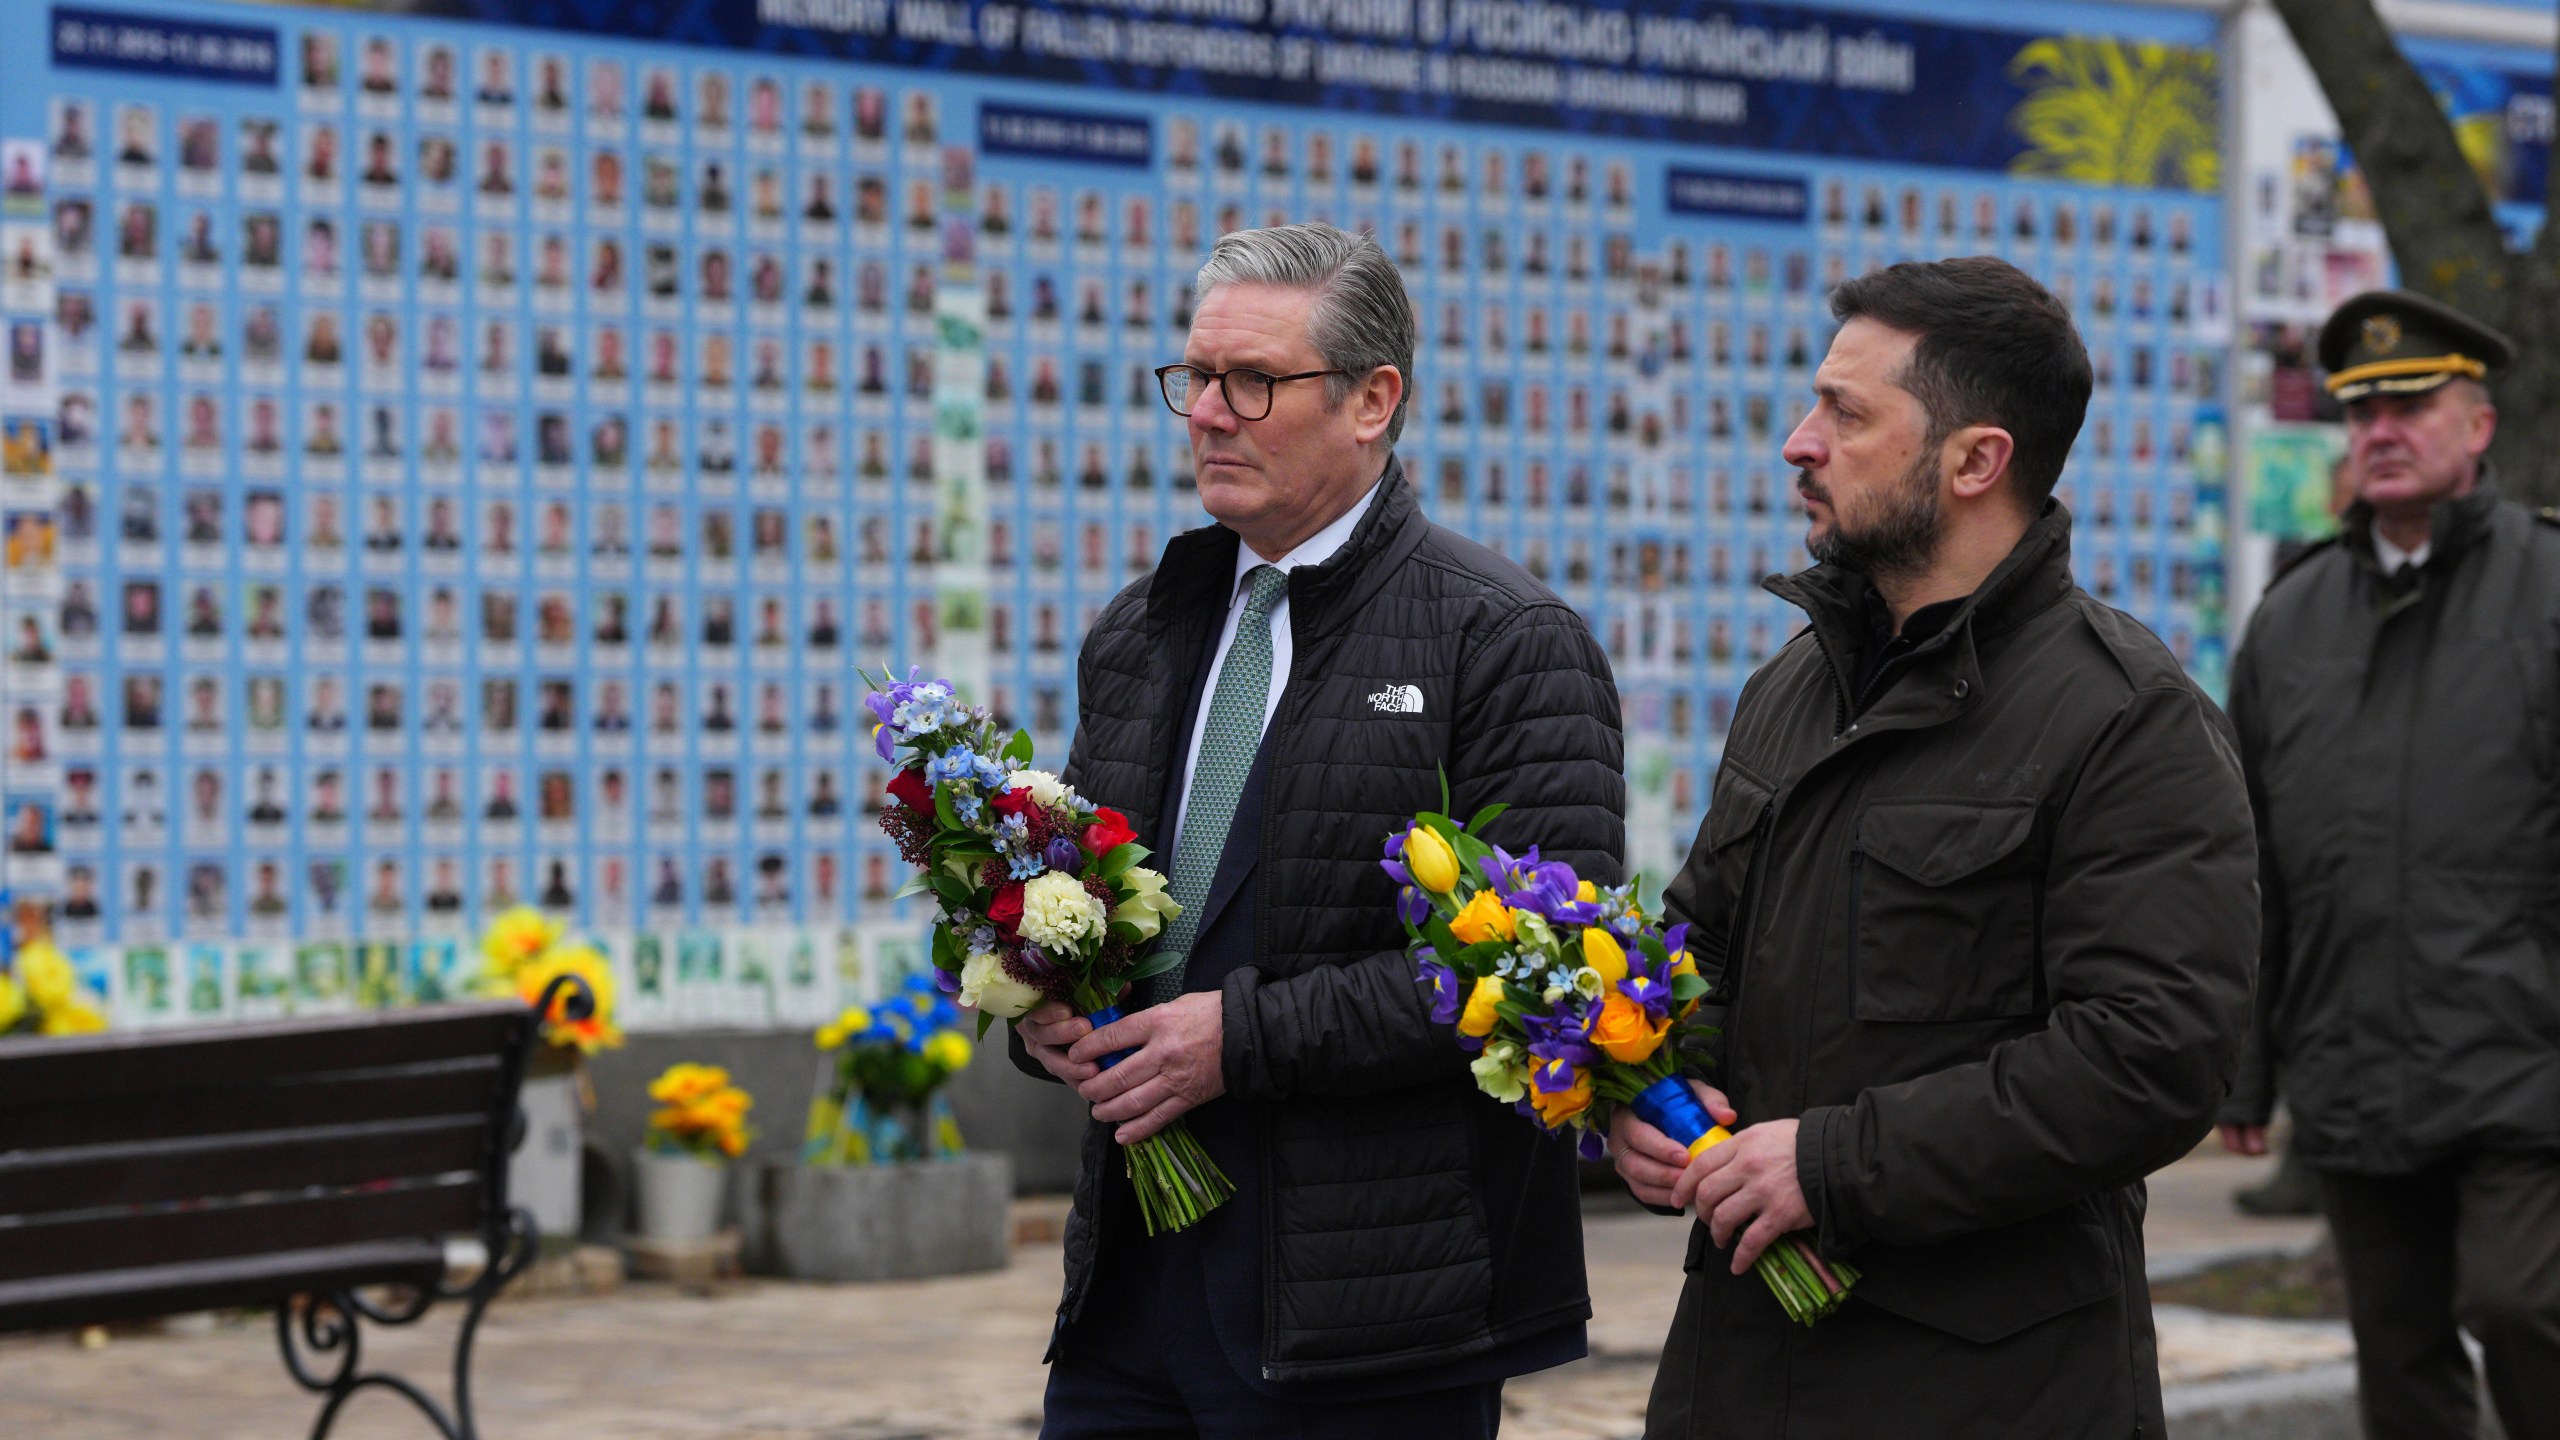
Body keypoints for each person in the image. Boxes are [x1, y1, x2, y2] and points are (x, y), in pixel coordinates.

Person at [1617, 257, 2255, 1439]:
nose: (1798, 443)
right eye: (1813, 404)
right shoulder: (1795, 684)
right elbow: (1699, 939)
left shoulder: (2127, 718)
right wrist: (1652, 1094)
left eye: (1845, 414)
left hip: (1987, 1384)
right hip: (1740, 1366)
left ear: (1975, 461)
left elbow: (2149, 1058)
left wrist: (1832, 1164)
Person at [1009, 222, 1624, 1438]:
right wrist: (1039, 1007)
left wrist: (1243, 1038)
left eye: (1255, 382)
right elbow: (1061, 890)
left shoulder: (1499, 639)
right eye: (1195, 379)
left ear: (1372, 401)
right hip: (1130, 1287)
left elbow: (1536, 971)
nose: (1209, 415)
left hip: (1370, 1309)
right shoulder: (1143, 628)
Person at [2220, 289, 2560, 1440]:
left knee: (2520, 1309)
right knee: (2398, 1362)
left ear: (2478, 425)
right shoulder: (2291, 619)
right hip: (2352, 1059)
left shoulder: (2549, 592)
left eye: (2413, 404)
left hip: (2527, 1064)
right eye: (2361, 412)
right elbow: (2252, 858)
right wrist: (2245, 1069)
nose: (2382, 430)